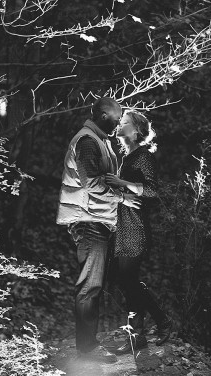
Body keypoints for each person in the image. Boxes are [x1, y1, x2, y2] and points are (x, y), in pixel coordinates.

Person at [56, 97, 141, 363]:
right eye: (117, 119)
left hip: (96, 220)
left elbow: (100, 179)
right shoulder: (88, 141)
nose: (118, 124)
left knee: (96, 284)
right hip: (88, 221)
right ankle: (88, 350)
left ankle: (91, 344)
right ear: (104, 116)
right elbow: (92, 183)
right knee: (89, 287)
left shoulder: (100, 140)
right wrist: (123, 198)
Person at [105, 109, 173, 355]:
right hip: (123, 228)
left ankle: (138, 336)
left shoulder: (143, 157)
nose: (118, 124)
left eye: (123, 122)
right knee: (124, 279)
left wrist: (123, 184)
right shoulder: (128, 157)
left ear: (134, 130)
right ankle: (161, 321)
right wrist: (120, 194)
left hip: (136, 229)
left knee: (127, 280)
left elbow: (153, 192)